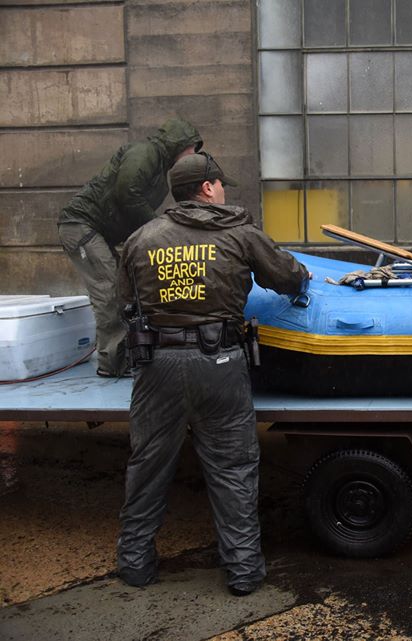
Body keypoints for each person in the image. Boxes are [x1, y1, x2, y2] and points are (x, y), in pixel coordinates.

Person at [115, 152, 310, 596]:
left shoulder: (141, 239)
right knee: (232, 469)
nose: (223, 190)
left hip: (155, 368)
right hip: (219, 363)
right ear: (207, 188)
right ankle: (243, 573)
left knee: (147, 466)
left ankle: (134, 566)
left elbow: (125, 303)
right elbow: (288, 277)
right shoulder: (240, 234)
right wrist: (303, 277)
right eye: (220, 184)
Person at [58, 118, 203, 377]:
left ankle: (123, 356)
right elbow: (127, 193)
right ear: (179, 144)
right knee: (109, 292)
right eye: (192, 149)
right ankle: (113, 365)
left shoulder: (160, 167)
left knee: (122, 290)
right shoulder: (145, 152)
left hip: (98, 231)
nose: (194, 156)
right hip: (81, 225)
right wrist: (159, 228)